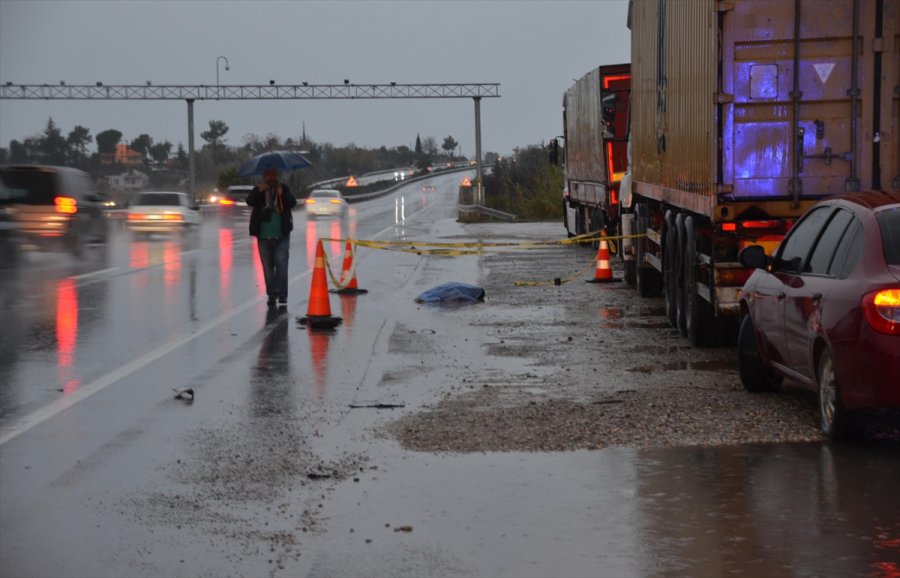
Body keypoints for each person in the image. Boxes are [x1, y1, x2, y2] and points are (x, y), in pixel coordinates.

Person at [246, 167, 297, 306]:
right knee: (267, 267)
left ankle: (282, 294)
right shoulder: (258, 189)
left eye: (273, 175)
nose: (270, 178)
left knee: (281, 264)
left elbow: (292, 203)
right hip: (263, 236)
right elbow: (249, 201)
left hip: (281, 235)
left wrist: (283, 195)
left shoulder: (283, 188)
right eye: (267, 175)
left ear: (277, 176)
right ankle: (271, 294)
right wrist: (259, 191)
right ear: (263, 177)